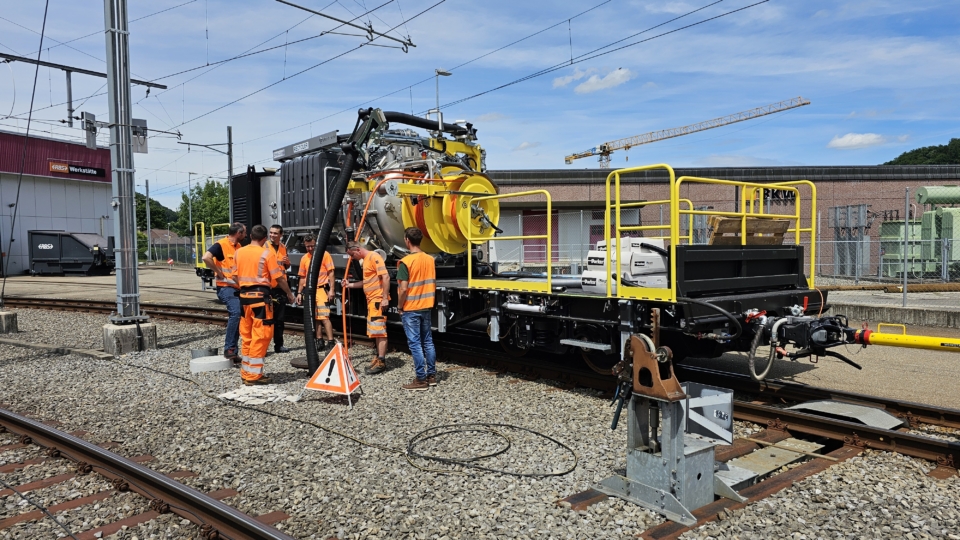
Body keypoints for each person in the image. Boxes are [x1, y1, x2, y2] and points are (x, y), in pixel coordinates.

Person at [235, 225, 295, 385]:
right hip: (260, 300)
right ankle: (253, 376)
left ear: (250, 236)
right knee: (261, 337)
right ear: (264, 239)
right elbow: (279, 278)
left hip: (244, 299)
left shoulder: (239, 252)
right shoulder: (266, 253)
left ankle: (246, 372)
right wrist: (289, 294)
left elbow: (234, 275)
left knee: (247, 336)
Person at [396, 227, 437, 391]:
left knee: (415, 344)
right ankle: (431, 376)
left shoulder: (406, 262)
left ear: (407, 240)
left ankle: (420, 380)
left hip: (411, 308)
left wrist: (399, 306)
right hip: (426, 306)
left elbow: (403, 289)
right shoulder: (430, 259)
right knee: (428, 341)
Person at [201, 222, 246, 364]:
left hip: (236, 287)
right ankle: (230, 349)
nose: (246, 235)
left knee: (240, 316)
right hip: (226, 287)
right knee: (236, 313)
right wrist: (218, 271)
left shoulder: (238, 247)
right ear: (238, 233)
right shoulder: (221, 244)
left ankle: (233, 350)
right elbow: (206, 257)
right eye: (244, 232)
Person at [344, 241, 389, 374]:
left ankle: (381, 361)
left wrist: (384, 298)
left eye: (352, 255)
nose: (352, 258)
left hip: (377, 300)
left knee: (380, 331)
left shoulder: (374, 257)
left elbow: (385, 277)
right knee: (376, 331)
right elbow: (367, 282)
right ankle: (379, 358)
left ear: (358, 249)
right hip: (372, 301)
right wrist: (349, 285)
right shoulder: (366, 260)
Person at [297, 234, 336, 349]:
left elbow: (331, 273)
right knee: (314, 317)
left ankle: (330, 341)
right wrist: (299, 292)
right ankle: (319, 340)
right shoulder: (304, 258)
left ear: (316, 244)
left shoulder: (325, 255)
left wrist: (332, 290)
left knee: (324, 317)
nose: (310, 248)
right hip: (309, 291)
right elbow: (302, 277)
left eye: (312, 246)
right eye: (307, 246)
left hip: (321, 289)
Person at [267, 224, 292, 353]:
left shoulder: (283, 247)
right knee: (266, 319)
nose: (272, 235)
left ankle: (279, 345)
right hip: (268, 287)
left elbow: (285, 266)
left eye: (275, 233)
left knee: (279, 319)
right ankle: (263, 347)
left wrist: (287, 263)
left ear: (281, 235)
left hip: (280, 287)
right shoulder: (264, 246)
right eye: (271, 232)